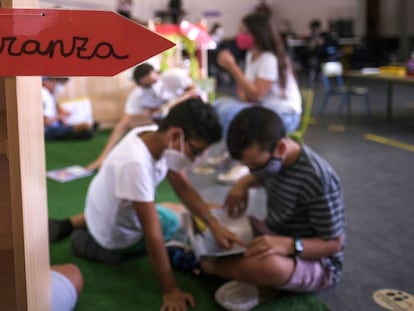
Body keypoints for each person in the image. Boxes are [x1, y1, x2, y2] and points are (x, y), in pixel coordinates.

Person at [49, 98, 243, 311]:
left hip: (100, 206)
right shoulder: (136, 164)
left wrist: (213, 224)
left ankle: (72, 224)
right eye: (195, 151)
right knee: (174, 219)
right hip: (114, 235)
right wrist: (170, 290)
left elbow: (183, 187)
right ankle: (102, 247)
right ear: (176, 135)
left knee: (174, 208)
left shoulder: (152, 134)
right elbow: (152, 234)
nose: (196, 160)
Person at [199, 106, 346, 311]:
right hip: (274, 233)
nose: (252, 172)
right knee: (213, 217)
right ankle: (252, 276)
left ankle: (207, 265)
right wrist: (242, 185)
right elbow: (260, 174)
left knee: (268, 266)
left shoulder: (317, 178)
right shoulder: (274, 161)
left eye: (255, 165)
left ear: (281, 148)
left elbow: (333, 244)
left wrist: (287, 246)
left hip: (315, 260)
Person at [212, 12, 302, 183]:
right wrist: (244, 85)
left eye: (245, 32)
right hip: (264, 110)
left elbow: (254, 94)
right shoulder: (251, 56)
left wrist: (233, 69)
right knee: (218, 105)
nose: (240, 36)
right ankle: (232, 153)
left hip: (284, 116)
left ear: (258, 33)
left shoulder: (269, 58)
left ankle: (243, 163)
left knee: (228, 112)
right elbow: (247, 95)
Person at [86, 63, 198, 171]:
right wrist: (103, 157)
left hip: (191, 110)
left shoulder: (173, 76)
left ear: (156, 73)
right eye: (147, 86)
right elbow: (122, 126)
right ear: (140, 86)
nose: (153, 87)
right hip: (168, 121)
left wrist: (172, 104)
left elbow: (194, 91)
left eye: (154, 81)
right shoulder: (137, 97)